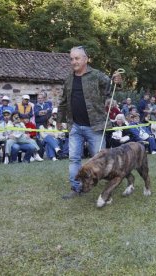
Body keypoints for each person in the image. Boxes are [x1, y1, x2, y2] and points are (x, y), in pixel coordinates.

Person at [57, 46, 122, 199]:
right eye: (72, 59)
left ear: (85, 59)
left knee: (101, 159)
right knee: (74, 159)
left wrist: (118, 81)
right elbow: (64, 101)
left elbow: (111, 88)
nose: (74, 62)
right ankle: (76, 188)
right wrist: (59, 119)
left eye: (77, 58)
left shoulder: (97, 75)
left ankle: (108, 188)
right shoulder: (69, 79)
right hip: (75, 126)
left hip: (95, 126)